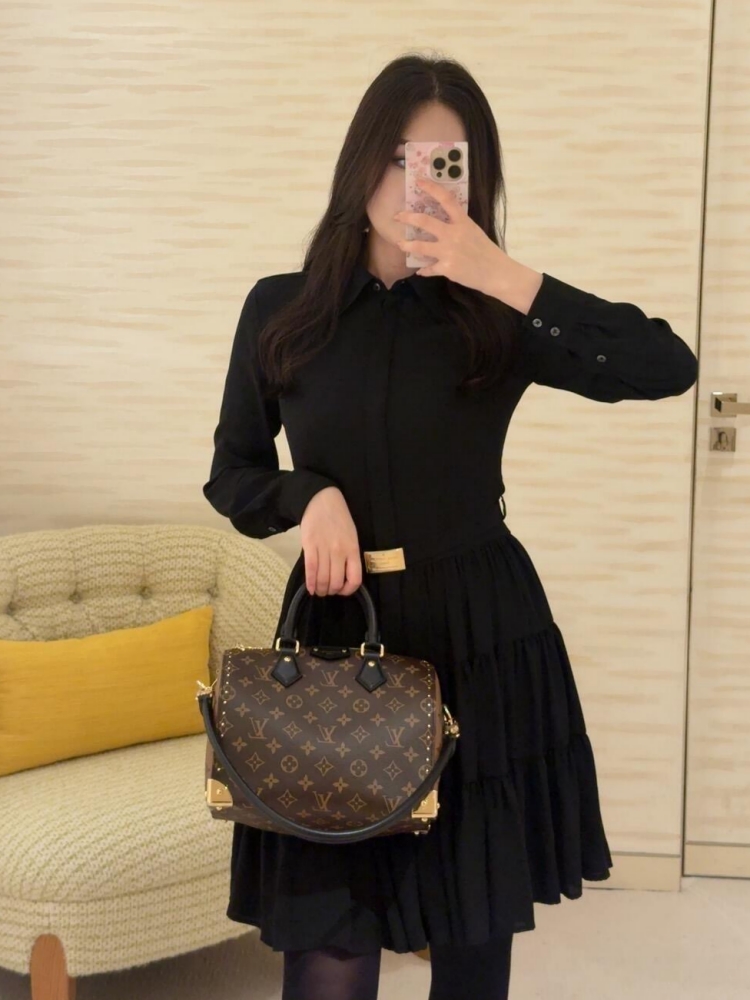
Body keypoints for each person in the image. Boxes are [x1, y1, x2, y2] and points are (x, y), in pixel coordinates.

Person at [202, 53, 698, 1000]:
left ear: (475, 180)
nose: (415, 184)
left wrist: (506, 276)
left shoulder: (495, 313)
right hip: (339, 631)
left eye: (444, 163)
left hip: (482, 633)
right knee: (331, 946)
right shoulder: (283, 309)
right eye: (397, 158)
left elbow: (664, 365)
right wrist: (309, 497)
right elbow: (233, 472)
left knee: (471, 939)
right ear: (360, 165)